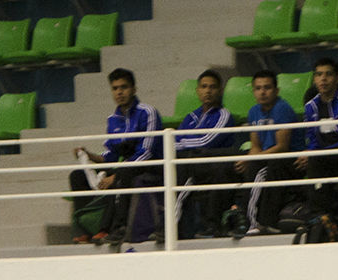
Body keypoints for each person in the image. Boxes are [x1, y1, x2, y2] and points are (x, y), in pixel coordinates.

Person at [76, 68, 161, 247]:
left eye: (124, 87)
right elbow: (111, 155)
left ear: (134, 89)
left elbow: (146, 153)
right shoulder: (113, 119)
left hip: (151, 165)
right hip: (127, 166)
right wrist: (89, 155)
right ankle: (85, 230)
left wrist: (116, 176)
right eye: (115, 88)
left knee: (123, 176)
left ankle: (116, 229)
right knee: (76, 176)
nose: (119, 92)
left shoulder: (148, 112)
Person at [297, 58, 338, 237]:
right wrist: (309, 153)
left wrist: (319, 153)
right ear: (314, 79)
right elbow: (312, 137)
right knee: (308, 160)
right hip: (325, 156)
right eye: (319, 75)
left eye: (328, 74)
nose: (323, 79)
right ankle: (320, 217)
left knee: (318, 160)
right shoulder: (311, 106)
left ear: (336, 78)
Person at [230, 70, 299, 236]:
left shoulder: (282, 109)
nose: (262, 92)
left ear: (276, 90)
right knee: (239, 165)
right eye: (258, 88)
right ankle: (235, 214)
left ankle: (251, 222)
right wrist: (249, 158)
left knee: (258, 170)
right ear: (254, 91)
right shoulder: (254, 111)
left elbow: (282, 146)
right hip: (267, 158)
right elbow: (255, 145)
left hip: (287, 160)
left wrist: (255, 159)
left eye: (267, 87)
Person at [174, 69, 240, 240]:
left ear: (220, 91)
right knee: (176, 171)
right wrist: (185, 147)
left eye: (212, 87)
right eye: (204, 87)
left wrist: (183, 145)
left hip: (214, 166)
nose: (208, 91)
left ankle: (172, 227)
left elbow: (206, 141)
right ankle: (170, 227)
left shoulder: (224, 115)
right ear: (197, 91)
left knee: (182, 172)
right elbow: (174, 142)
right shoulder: (191, 117)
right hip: (193, 164)